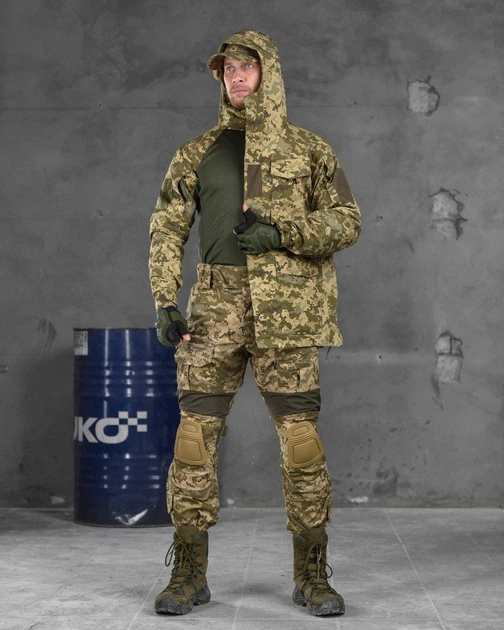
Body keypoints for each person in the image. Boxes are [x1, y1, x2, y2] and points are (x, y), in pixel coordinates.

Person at [149, 30, 361, 617]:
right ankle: (189, 572)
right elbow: (166, 228)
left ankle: (311, 574)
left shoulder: (308, 150)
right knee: (194, 442)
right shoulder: (197, 151)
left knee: (301, 445)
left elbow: (347, 220)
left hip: (288, 312)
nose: (236, 76)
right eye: (227, 69)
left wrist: (283, 234)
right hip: (213, 310)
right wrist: (165, 300)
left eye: (247, 66)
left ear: (269, 72)